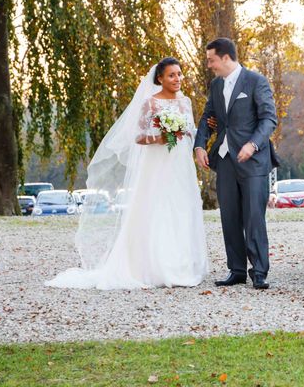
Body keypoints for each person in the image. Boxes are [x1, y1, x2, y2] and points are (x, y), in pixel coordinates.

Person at [46, 58, 209, 289]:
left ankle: (182, 264)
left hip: (181, 164)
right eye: (171, 75)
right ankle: (155, 267)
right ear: (160, 78)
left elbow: (190, 130)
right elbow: (138, 136)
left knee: (182, 208)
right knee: (158, 209)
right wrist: (161, 137)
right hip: (157, 164)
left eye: (180, 74)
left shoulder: (186, 102)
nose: (177, 79)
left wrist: (192, 132)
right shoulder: (150, 104)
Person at [194, 38, 278, 290]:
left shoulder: (256, 82)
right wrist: (199, 145)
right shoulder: (215, 85)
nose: (209, 65)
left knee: (253, 216)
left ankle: (260, 271)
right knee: (229, 217)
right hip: (225, 160)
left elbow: (268, 119)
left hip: (253, 161)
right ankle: (237, 270)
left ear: (226, 58)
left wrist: (252, 144)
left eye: (212, 60)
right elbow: (208, 116)